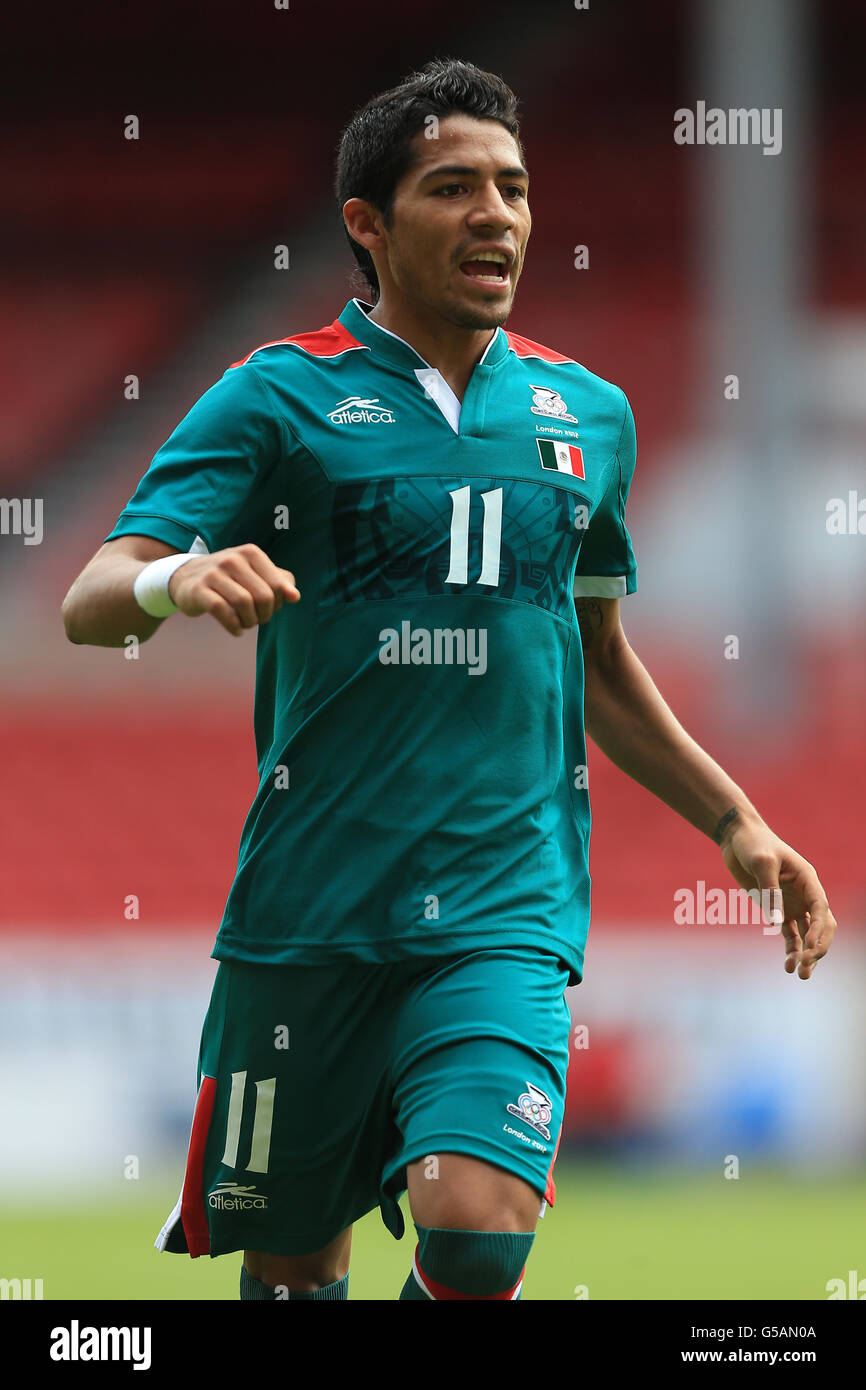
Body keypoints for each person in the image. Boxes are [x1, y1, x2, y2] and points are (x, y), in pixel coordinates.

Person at [61, 57, 837, 1302]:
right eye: (454, 187)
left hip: (503, 906)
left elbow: (593, 661)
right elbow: (88, 602)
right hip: (308, 914)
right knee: (293, 1274)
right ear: (366, 225)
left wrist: (734, 821)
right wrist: (177, 584)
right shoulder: (278, 394)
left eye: (515, 188)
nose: (498, 214)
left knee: (474, 1229)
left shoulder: (587, 414)